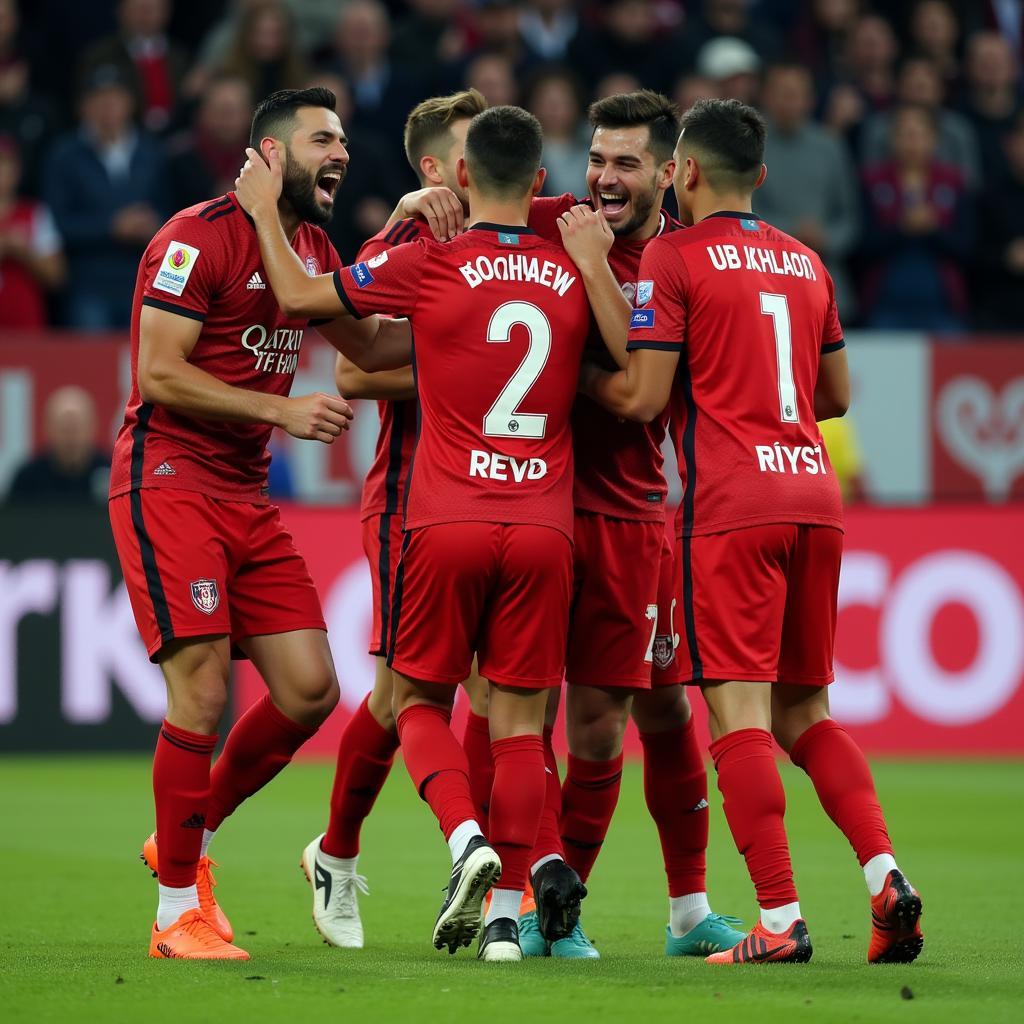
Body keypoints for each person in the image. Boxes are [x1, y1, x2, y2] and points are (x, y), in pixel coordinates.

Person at [235, 104, 592, 963]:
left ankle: (447, 853)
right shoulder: (532, 256)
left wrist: (450, 339)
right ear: (443, 173)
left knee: (426, 701)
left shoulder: (437, 257)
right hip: (449, 502)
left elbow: (317, 309)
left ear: (467, 177)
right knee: (473, 709)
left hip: (452, 502)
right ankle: (494, 889)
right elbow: (356, 365)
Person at [578, 97, 923, 965]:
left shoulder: (673, 252)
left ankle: (777, 919)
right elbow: (835, 395)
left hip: (733, 509)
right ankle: (885, 877)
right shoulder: (808, 262)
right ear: (761, 176)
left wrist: (587, 308)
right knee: (808, 710)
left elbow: (646, 397)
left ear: (682, 173)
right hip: (815, 495)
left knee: (737, 712)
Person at [108, 86, 404, 961]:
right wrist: (277, 414)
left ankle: (181, 843)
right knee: (201, 690)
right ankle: (175, 914)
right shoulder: (193, 235)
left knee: (311, 689)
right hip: (169, 481)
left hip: (244, 495)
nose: (341, 153)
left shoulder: (308, 246)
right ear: (270, 155)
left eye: (344, 138)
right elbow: (159, 373)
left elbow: (374, 347)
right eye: (323, 139)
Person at [520, 90, 744, 960]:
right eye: (598, 161)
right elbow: (474, 204)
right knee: (523, 708)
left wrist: (589, 269)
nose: (606, 180)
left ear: (667, 174)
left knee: (646, 715)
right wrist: (415, 204)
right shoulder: (556, 221)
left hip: (630, 515)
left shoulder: (684, 261)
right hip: (535, 505)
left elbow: (639, 381)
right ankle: (535, 901)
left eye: (627, 164)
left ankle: (683, 911)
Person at [299, 87, 490, 952]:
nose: (478, 165)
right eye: (465, 153)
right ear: (430, 170)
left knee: (485, 695)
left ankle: (486, 882)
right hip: (417, 494)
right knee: (412, 693)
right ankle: (370, 853)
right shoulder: (408, 244)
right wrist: (465, 361)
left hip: (513, 496)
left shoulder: (516, 235)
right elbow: (351, 370)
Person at [44, 63, 167, 330]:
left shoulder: (152, 152)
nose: (108, 107)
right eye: (99, 99)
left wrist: (154, 225)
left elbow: (172, 209)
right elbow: (56, 223)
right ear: (83, 107)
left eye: (115, 98)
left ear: (130, 103)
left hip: (144, 282)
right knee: (90, 367)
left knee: (139, 366)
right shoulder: (65, 155)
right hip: (89, 284)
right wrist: (111, 227)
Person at [754, 63, 860, 319]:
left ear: (810, 100)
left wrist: (826, 237)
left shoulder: (830, 147)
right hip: (764, 279)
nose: (790, 102)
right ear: (765, 96)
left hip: (825, 277)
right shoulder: (750, 146)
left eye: (796, 94)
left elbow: (849, 218)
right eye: (782, 93)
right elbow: (742, 211)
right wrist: (792, 234)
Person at [860, 104, 971, 330]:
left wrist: (932, 229)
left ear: (934, 139)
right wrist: (903, 228)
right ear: (892, 139)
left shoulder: (954, 181)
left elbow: (968, 245)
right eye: (904, 134)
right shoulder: (872, 181)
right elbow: (862, 244)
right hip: (885, 306)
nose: (912, 142)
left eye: (919, 134)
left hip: (943, 307)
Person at [0, 134, 64, 328]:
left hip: (24, 326)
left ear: (16, 171)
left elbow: (57, 276)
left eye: (4, 164)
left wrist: (24, 251)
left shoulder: (35, 214)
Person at [5, 387, 109, 503]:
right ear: (48, 428)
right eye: (64, 429)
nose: (71, 436)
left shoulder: (112, 474)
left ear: (92, 427)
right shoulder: (28, 479)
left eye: (77, 428)